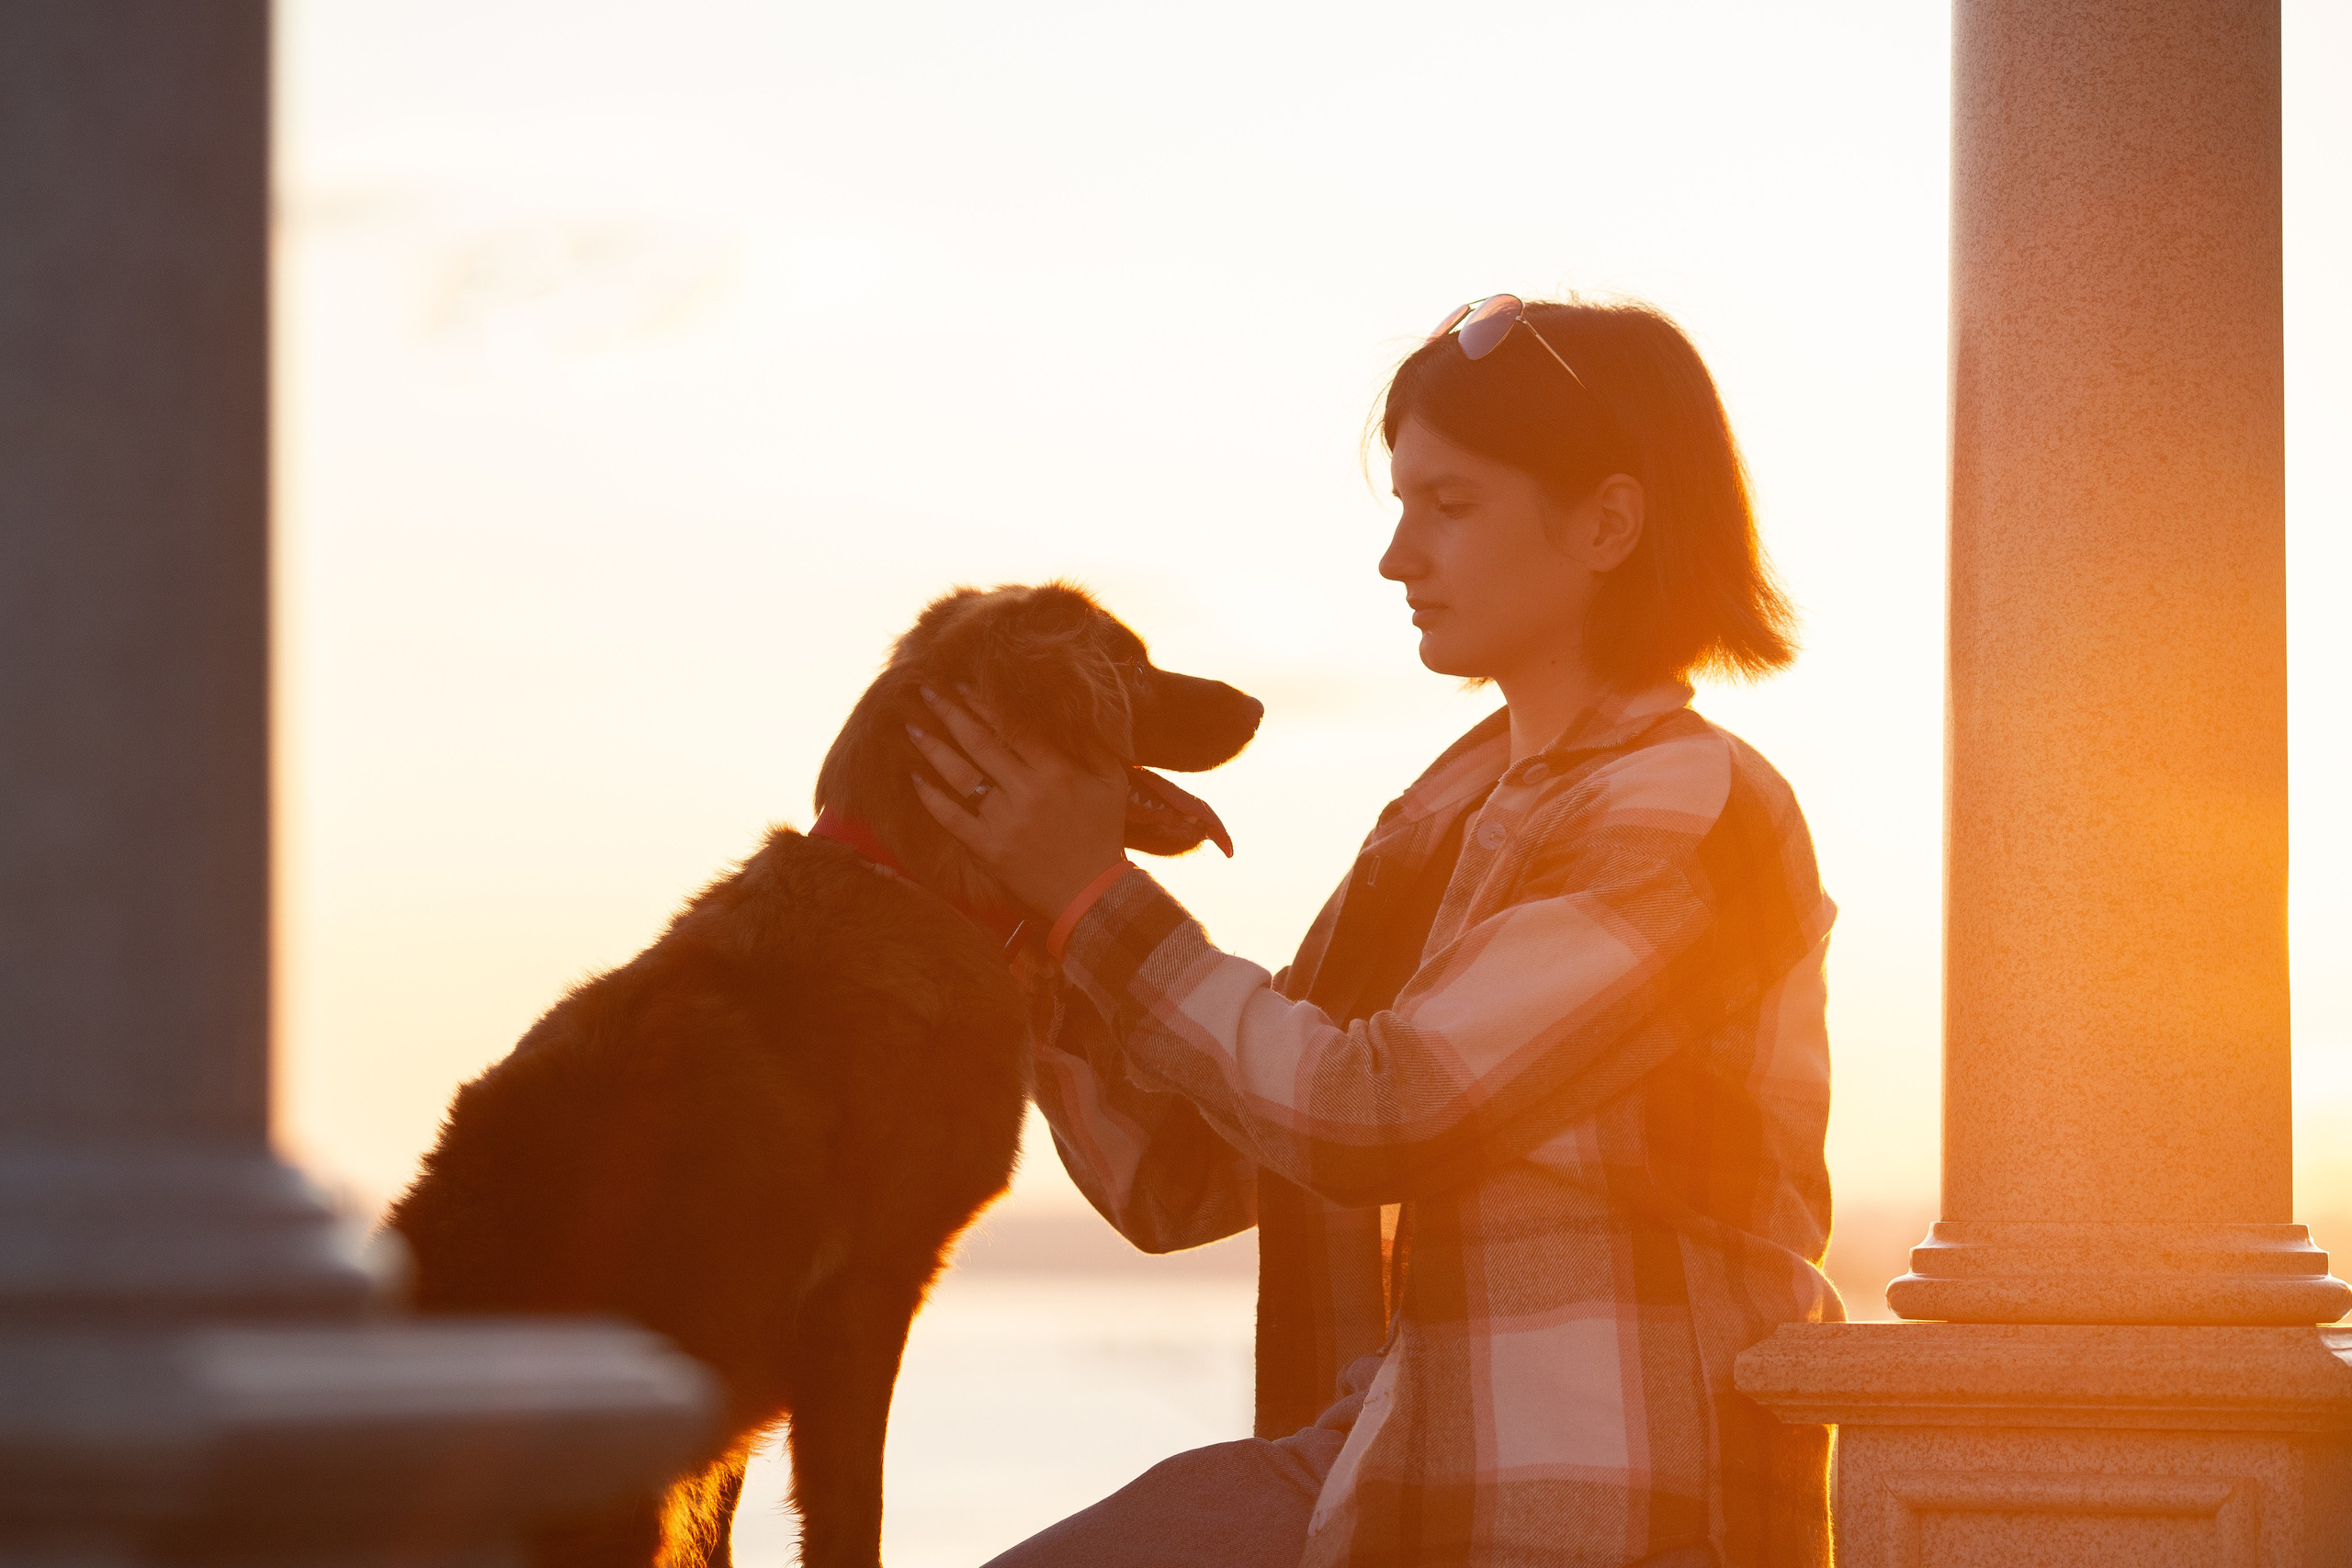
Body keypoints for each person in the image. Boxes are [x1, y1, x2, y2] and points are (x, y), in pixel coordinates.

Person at [908, 296, 1841, 1568]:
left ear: (1609, 523)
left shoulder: (1689, 810)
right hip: (1371, 1478)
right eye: (1401, 506)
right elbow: (1181, 1177)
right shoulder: (1445, 814)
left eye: (1449, 508)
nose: (1398, 557)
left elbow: (1379, 1112)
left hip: (1603, 1506)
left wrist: (1090, 898)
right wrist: (1019, 911)